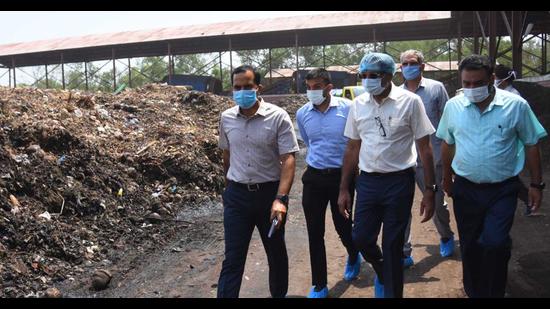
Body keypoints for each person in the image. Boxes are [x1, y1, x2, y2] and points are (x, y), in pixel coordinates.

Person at [437, 55, 547, 297]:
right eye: (467, 83)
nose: (472, 88)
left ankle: (495, 291)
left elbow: (531, 143)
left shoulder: (516, 106)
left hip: (502, 189)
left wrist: (536, 184)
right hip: (466, 188)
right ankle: (475, 291)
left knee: (495, 243)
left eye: (478, 83)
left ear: (491, 80)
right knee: (470, 244)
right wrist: (446, 177)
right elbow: (448, 143)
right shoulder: (454, 106)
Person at [338, 52, 437, 298]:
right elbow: (352, 147)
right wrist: (343, 188)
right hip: (368, 182)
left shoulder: (410, 102)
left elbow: (425, 147)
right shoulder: (358, 104)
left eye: (374, 75)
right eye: (364, 75)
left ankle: (393, 290)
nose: (368, 80)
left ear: (389, 75)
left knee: (393, 245)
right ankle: (381, 268)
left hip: (399, 181)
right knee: (360, 238)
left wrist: (430, 190)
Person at [217, 65, 300, 298]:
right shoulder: (226, 118)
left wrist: (281, 199)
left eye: (247, 87)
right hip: (237, 197)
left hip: (269, 197)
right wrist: (228, 190)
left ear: (257, 87)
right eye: (237, 87)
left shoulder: (277, 116)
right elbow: (227, 155)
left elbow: (289, 159)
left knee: (276, 254)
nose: (241, 91)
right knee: (233, 259)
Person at [296, 68, 360, 298]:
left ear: (329, 88)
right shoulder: (302, 113)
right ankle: (319, 284)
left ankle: (354, 254)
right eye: (309, 87)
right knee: (315, 231)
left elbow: (355, 143)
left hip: (342, 177)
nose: (312, 91)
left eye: (317, 87)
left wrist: (351, 179)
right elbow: (308, 141)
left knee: (343, 226)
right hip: (314, 177)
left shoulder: (348, 109)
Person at [399, 49, 455, 267]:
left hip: (432, 159)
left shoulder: (436, 89)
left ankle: (446, 235)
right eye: (404, 64)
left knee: (437, 203)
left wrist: (449, 158)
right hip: (405, 160)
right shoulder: (397, 93)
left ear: (422, 66)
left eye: (412, 63)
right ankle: (404, 252)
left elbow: (448, 122)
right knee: (401, 208)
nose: (408, 67)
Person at [495, 64, 532, 215]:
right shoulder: (505, 94)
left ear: (502, 80)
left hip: (511, 143)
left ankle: (529, 200)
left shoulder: (514, 97)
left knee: (510, 178)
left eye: (495, 78)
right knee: (510, 177)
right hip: (506, 142)